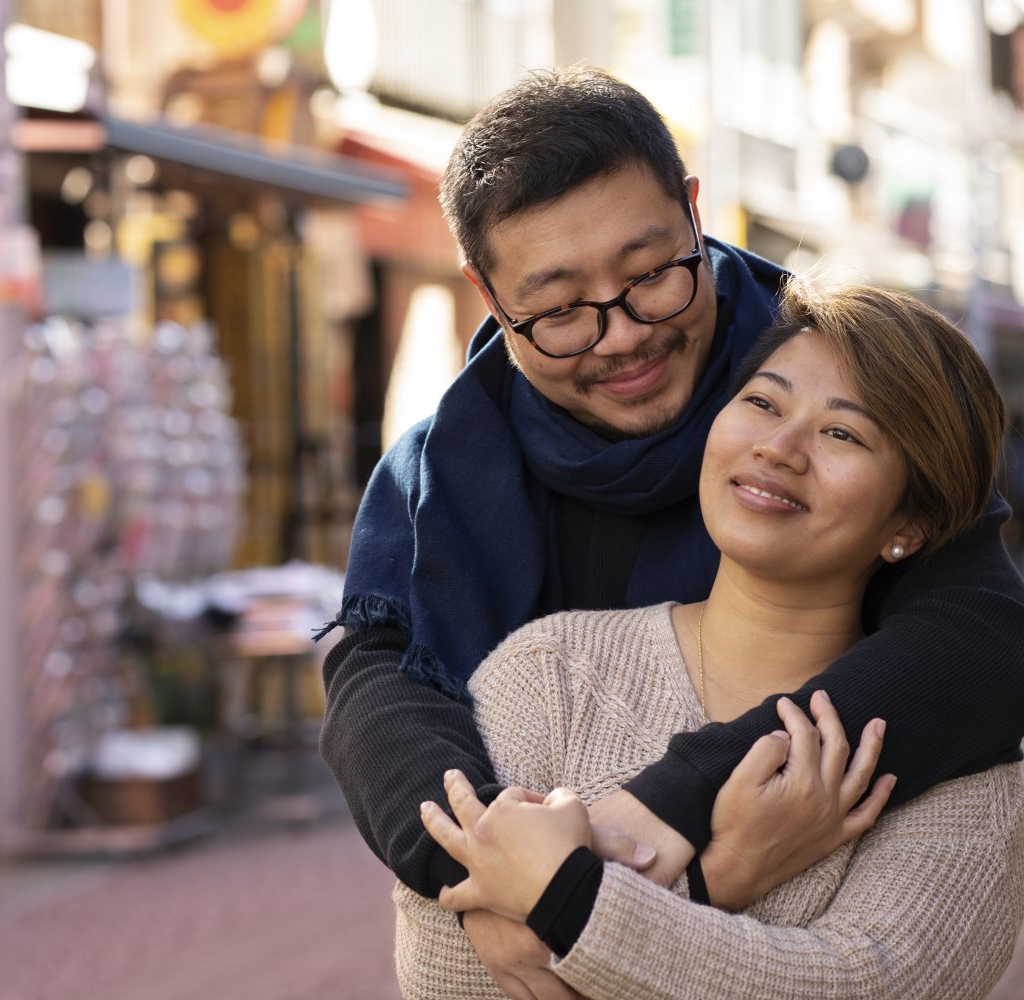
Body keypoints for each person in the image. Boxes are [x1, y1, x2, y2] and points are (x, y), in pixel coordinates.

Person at [318, 65, 1024, 991]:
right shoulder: (446, 487)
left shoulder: (831, 368)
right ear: (490, 297)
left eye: (652, 276)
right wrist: (503, 874)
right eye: (562, 308)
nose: (621, 335)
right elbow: (377, 684)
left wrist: (671, 810)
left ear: (695, 213)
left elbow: (988, 639)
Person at [405, 281, 1024, 998]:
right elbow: (450, 975)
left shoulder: (962, 765)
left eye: (843, 433)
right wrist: (719, 877)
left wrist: (577, 903)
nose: (780, 447)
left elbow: (870, 985)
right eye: (763, 402)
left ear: (908, 526)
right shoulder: (552, 671)